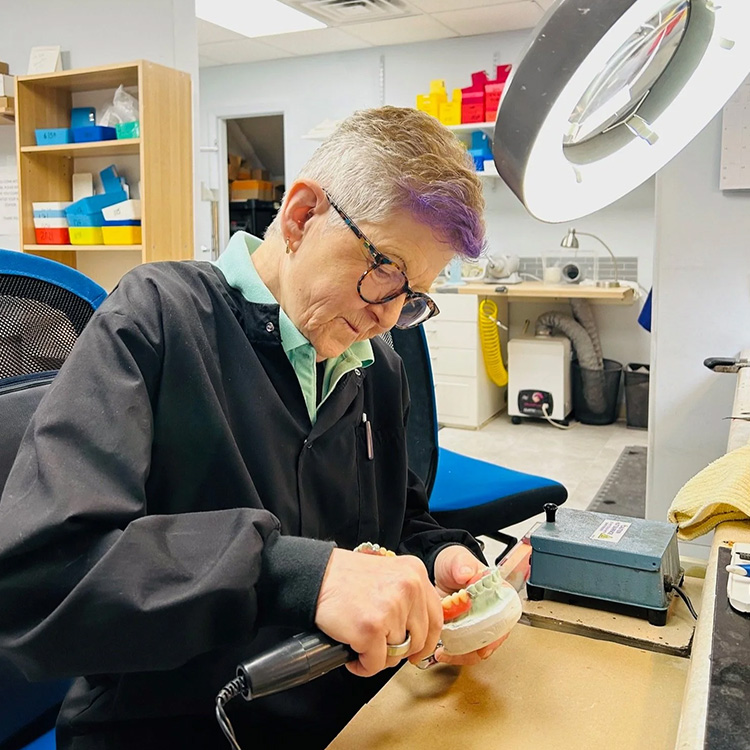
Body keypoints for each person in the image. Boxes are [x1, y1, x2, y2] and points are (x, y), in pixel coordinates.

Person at [0, 106, 501, 750]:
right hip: (175, 725)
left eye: (415, 298)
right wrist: (299, 574)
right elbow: (47, 574)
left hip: (346, 717)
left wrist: (440, 561)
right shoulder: (156, 321)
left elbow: (395, 525)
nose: (387, 318)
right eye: (386, 274)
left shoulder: (376, 367)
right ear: (300, 217)